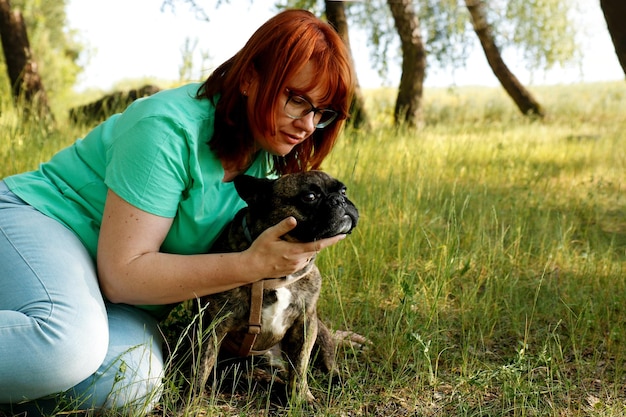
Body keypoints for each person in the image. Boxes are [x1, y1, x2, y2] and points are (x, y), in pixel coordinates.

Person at [0, 9, 354, 415]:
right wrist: (250, 265)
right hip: (42, 222)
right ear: (250, 78)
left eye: (321, 112)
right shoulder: (167, 129)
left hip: (113, 291)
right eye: (297, 100)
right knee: (63, 347)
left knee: (131, 385)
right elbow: (123, 276)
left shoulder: (265, 158)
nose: (308, 124)